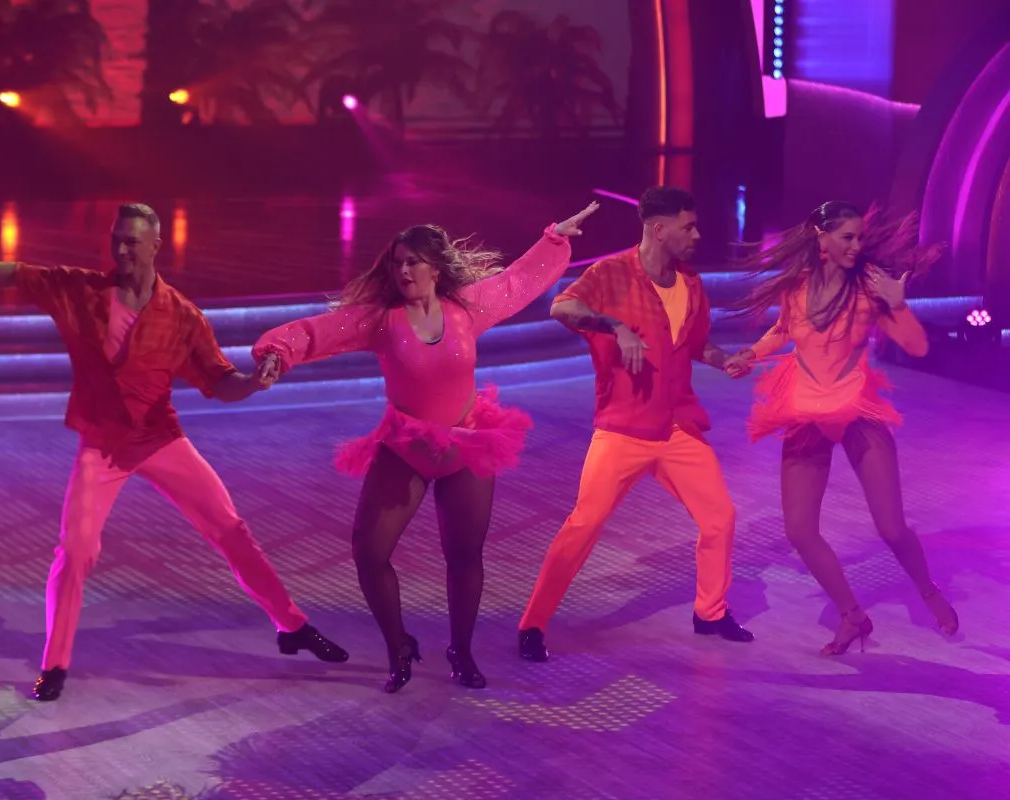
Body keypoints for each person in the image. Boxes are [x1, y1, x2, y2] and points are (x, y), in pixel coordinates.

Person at [0, 203, 348, 702]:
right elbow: (9, 273)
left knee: (230, 529)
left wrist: (255, 383)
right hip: (102, 446)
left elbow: (220, 381)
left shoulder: (182, 316)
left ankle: (291, 625)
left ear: (156, 246)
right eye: (116, 239)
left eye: (132, 241)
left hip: (159, 439)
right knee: (76, 551)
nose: (122, 249)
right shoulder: (79, 290)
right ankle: (54, 664)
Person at [251, 202, 600, 693]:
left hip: (466, 446)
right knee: (369, 552)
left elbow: (518, 282)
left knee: (465, 555)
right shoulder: (380, 319)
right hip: (406, 447)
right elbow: (319, 332)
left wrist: (553, 240)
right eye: (397, 263)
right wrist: (276, 353)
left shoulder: (468, 309)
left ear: (435, 267)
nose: (403, 271)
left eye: (413, 262)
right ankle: (399, 647)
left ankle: (462, 651)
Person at [517, 186, 754, 663]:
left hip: (677, 426)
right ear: (659, 230)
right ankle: (533, 624)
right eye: (688, 227)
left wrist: (724, 359)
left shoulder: (691, 283)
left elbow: (697, 345)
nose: (697, 235)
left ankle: (710, 612)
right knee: (584, 524)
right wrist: (615, 326)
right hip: (622, 428)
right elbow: (561, 307)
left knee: (720, 519)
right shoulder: (611, 274)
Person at [725, 201, 958, 655]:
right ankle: (852, 615)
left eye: (859, 238)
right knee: (799, 530)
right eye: (847, 237)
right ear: (822, 238)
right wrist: (750, 354)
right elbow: (783, 330)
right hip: (805, 410)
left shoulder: (870, 287)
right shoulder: (797, 285)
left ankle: (928, 592)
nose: (856, 246)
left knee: (891, 528)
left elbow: (917, 346)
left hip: (856, 411)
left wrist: (898, 303)